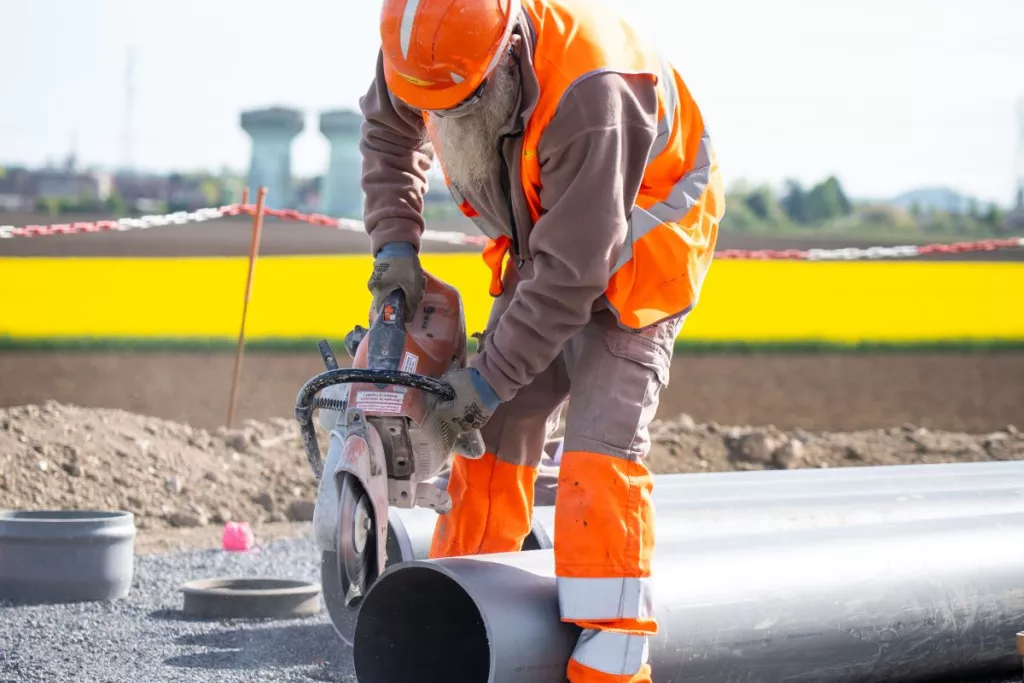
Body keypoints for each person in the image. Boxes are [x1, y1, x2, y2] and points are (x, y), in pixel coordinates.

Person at [359, 0, 724, 680]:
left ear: (505, 58)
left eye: (459, 108)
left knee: (598, 454)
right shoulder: (422, 47)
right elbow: (388, 136)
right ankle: (460, 615)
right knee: (490, 437)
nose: (443, 122)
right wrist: (395, 245)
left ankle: (611, 663)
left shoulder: (593, 90)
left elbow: (570, 275)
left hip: (642, 237)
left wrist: (486, 380)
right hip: (552, 239)